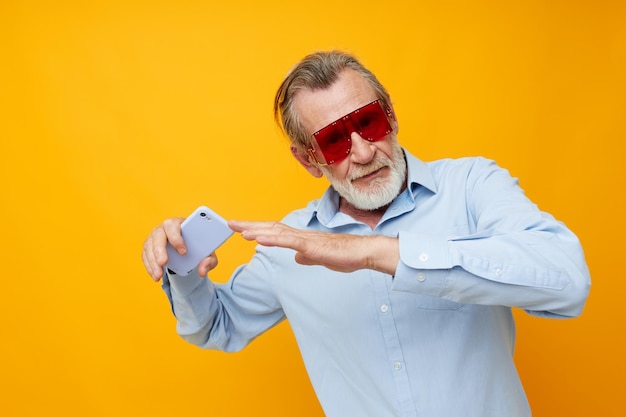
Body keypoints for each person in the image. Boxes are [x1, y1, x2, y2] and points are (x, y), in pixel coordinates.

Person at [142, 50, 590, 417]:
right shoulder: (291, 244)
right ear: (308, 161)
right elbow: (216, 327)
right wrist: (182, 267)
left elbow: (568, 281)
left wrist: (373, 252)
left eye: (368, 123)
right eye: (334, 141)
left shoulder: (472, 186)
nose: (362, 152)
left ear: (391, 116)